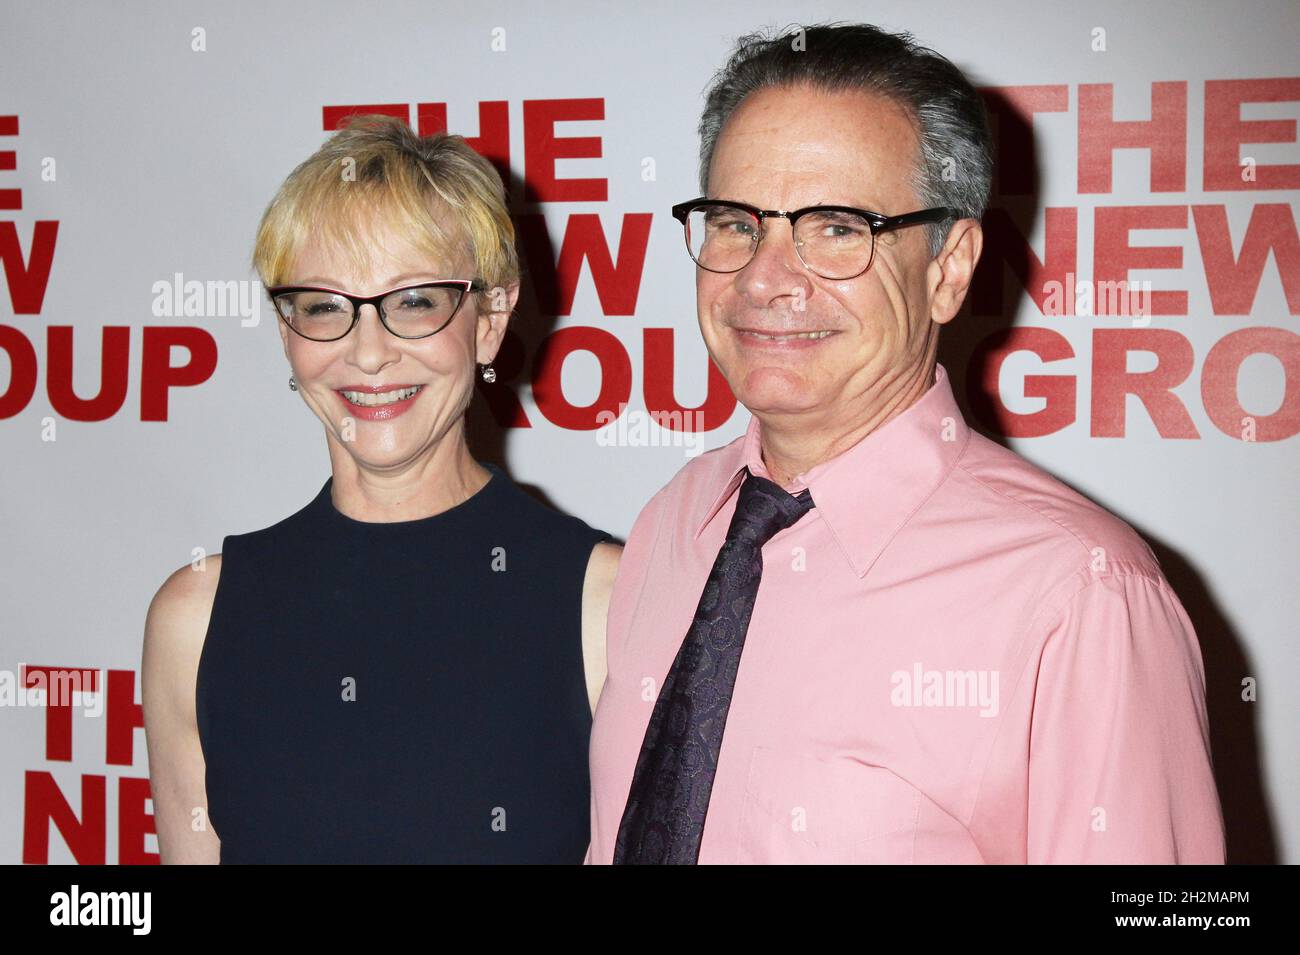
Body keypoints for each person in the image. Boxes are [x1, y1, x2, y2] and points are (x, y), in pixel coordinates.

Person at [587, 23, 1225, 864]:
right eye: (736, 222)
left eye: (839, 227)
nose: (764, 277)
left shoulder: (1082, 597)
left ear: (949, 268)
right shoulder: (673, 525)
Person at [142, 115, 621, 863]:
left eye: (415, 301)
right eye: (325, 305)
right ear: (285, 332)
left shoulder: (604, 601)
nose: (368, 353)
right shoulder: (195, 614)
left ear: (490, 319)